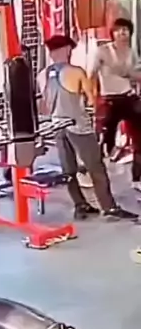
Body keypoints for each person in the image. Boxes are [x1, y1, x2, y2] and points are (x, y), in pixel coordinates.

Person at [38, 34, 137, 221]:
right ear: (67, 49)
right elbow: (92, 101)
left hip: (57, 126)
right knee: (95, 167)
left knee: (68, 169)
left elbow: (44, 105)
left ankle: (80, 205)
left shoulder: (42, 75)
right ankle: (109, 208)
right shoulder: (76, 72)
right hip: (78, 126)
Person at [90, 17, 141, 187]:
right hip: (109, 99)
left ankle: (137, 179)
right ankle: (94, 176)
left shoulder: (131, 52)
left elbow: (135, 74)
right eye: (119, 30)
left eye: (125, 30)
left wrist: (131, 75)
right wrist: (92, 97)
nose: (122, 33)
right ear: (113, 33)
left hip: (128, 97)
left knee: (139, 140)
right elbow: (91, 75)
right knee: (105, 142)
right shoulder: (103, 51)